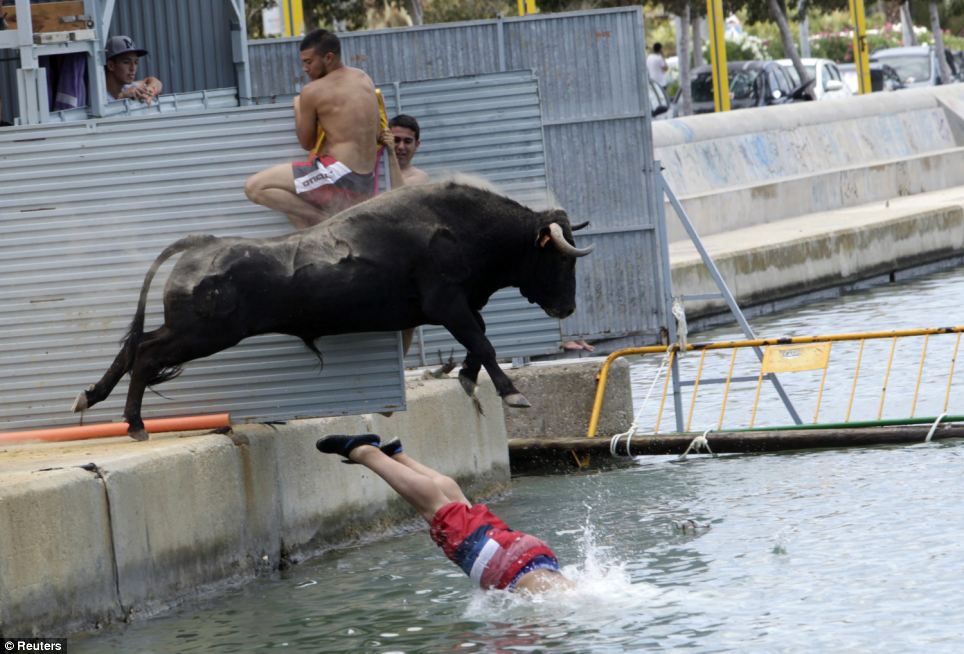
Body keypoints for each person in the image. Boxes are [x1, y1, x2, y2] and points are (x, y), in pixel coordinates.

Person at [316, 433, 574, 594]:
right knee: (436, 509)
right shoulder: (556, 607)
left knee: (458, 505)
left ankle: (398, 456)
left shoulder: (578, 594)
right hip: (502, 564)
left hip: (529, 554)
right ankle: (364, 451)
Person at [244, 29, 383, 229]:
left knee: (255, 188)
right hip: (365, 180)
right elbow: (377, 132)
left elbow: (307, 142)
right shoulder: (363, 78)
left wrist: (299, 106)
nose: (305, 69)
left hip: (339, 175)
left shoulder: (312, 91)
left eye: (309, 62)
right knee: (294, 210)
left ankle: (325, 223)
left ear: (328, 57)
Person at [104, 36, 163, 104]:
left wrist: (149, 90)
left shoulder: (127, 87)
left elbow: (155, 82)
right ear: (111, 66)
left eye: (136, 62)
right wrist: (121, 97)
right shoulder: (97, 97)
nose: (133, 68)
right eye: (126, 62)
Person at [389, 114, 430, 185]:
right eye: (396, 140)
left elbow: (398, 191)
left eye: (407, 141)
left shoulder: (420, 178)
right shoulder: (374, 173)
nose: (401, 147)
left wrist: (390, 153)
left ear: (416, 145)